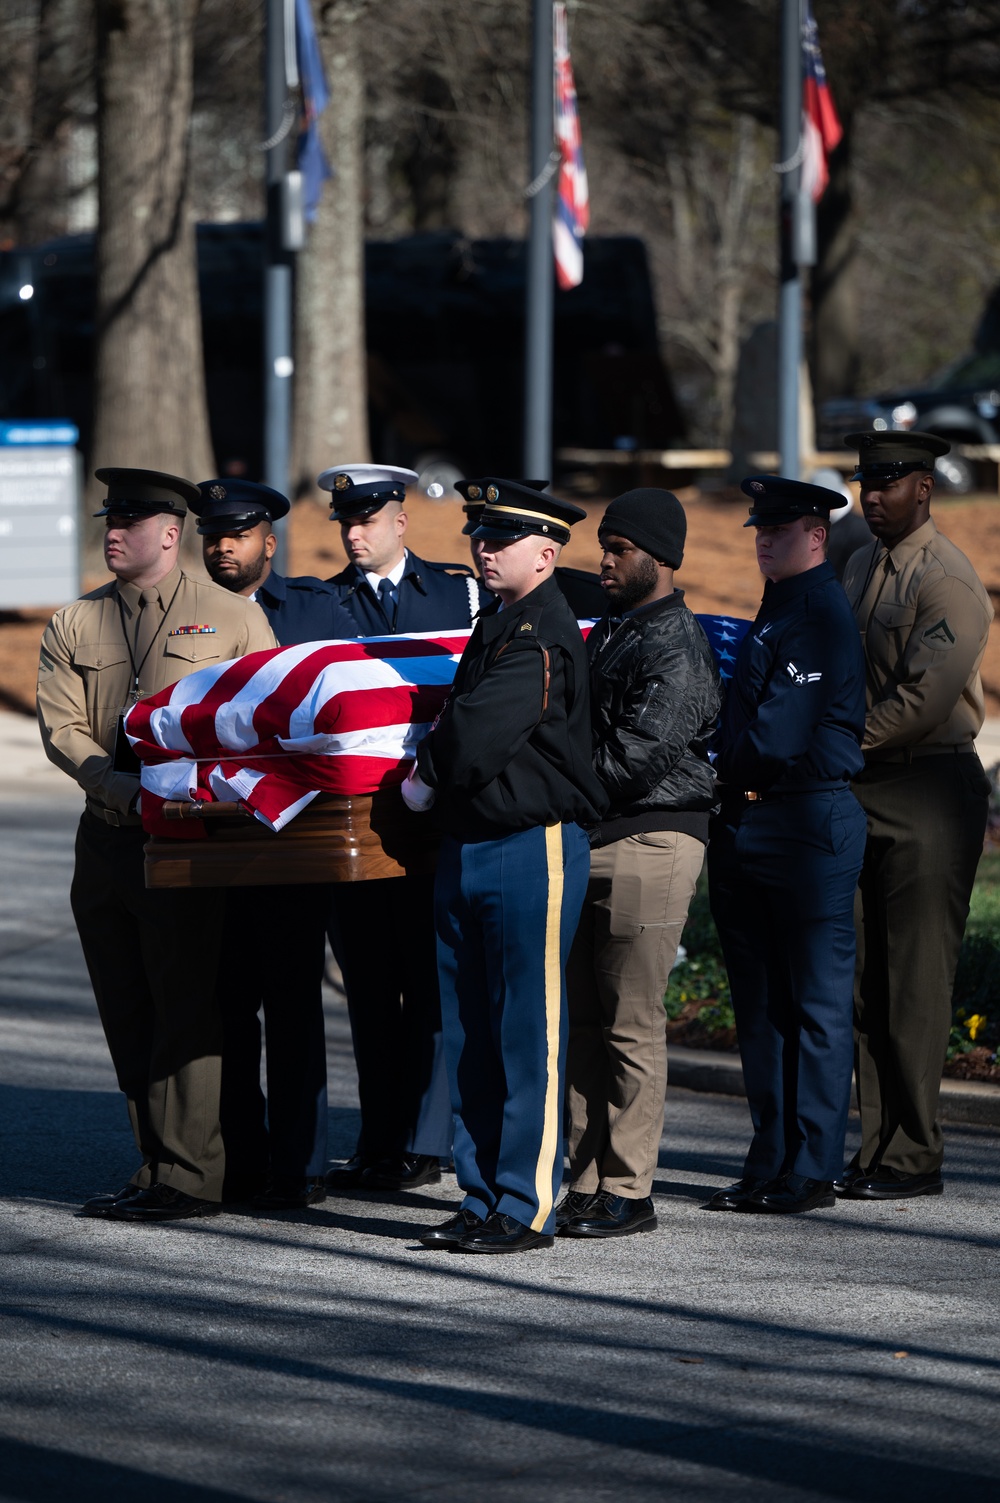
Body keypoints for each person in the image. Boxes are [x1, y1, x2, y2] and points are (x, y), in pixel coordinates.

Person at [36, 468, 276, 1222]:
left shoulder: (231, 618)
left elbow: (264, 718)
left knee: (185, 1003)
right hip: (105, 839)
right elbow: (62, 729)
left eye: (130, 521)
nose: (112, 530)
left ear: (169, 534)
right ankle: (155, 1161)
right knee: (124, 1005)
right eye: (109, 518)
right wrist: (118, 789)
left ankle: (192, 1171)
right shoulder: (75, 622)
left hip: (190, 843)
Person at [407, 479, 607, 1254]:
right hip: (471, 845)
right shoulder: (501, 621)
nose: (483, 549)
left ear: (547, 552)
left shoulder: (539, 632)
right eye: (479, 536)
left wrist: (422, 774)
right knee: (473, 1033)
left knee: (527, 1031)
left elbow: (474, 737)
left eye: (502, 538)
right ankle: (482, 1190)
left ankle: (523, 1202)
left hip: (530, 847)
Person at [318, 463, 488, 1192]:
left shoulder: (459, 593)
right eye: (344, 522)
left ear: (399, 520)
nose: (354, 533)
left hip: (434, 824)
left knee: (433, 988)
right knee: (368, 988)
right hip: (357, 829)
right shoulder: (321, 605)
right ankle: (380, 1138)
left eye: (366, 520)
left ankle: (425, 1139)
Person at [190, 477, 358, 1210]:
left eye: (238, 533)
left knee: (292, 1005)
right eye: (213, 534)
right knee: (227, 1008)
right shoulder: (183, 616)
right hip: (210, 842)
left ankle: (300, 1164)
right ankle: (240, 1160)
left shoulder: (316, 609)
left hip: (293, 838)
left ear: (268, 539)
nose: (223, 546)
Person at [561, 488, 722, 1238]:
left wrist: (552, 780)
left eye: (618, 549)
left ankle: (630, 1187)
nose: (604, 560)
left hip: (653, 839)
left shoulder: (676, 641)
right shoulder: (620, 629)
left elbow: (637, 756)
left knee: (630, 1021)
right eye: (605, 546)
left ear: (658, 558)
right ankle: (587, 1176)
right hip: (601, 834)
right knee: (587, 1023)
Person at [838, 431, 993, 1201]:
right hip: (861, 784)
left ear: (924, 488)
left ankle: (914, 1155)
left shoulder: (950, 579)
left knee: (915, 982)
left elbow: (922, 700)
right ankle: (876, 1147)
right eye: (865, 480)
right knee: (867, 978)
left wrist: (833, 745)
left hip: (928, 787)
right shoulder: (863, 563)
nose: (871, 494)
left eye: (888, 482)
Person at [707, 475, 867, 1215]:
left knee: (815, 1004)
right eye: (761, 528)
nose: (766, 538)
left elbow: (775, 736)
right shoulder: (778, 608)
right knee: (762, 1003)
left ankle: (813, 1164)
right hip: (753, 820)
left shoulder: (822, 614)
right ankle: (771, 1153)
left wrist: (706, 763)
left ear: (818, 535)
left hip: (806, 823)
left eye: (783, 527)